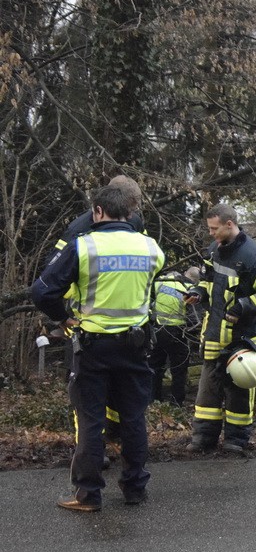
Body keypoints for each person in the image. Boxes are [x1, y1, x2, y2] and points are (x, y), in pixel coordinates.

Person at [31, 184, 165, 511]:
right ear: (130, 213)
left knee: (91, 421)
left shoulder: (84, 247)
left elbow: (41, 291)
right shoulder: (151, 248)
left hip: (93, 347)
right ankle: (135, 489)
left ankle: (88, 494)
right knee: (134, 418)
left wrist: (64, 319)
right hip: (136, 345)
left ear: (97, 212)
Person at [51, 175, 146, 464]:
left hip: (122, 328)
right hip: (85, 321)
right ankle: (92, 452)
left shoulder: (135, 223)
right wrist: (67, 314)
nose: (134, 213)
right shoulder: (79, 230)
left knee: (115, 394)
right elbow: (54, 272)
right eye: (134, 206)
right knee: (87, 396)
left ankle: (110, 440)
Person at [186, 205, 256, 453]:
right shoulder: (213, 250)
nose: (212, 234)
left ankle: (236, 440)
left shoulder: (252, 256)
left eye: (215, 229)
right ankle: (203, 439)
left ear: (230, 225)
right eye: (209, 229)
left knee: (239, 392)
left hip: (242, 339)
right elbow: (207, 281)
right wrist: (197, 293)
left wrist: (243, 306)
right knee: (207, 392)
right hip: (215, 334)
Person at [149, 269, 192, 406]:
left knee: (155, 366)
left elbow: (148, 302)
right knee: (179, 369)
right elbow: (192, 314)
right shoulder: (187, 288)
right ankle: (177, 402)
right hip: (178, 332)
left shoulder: (159, 283)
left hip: (159, 330)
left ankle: (153, 399)